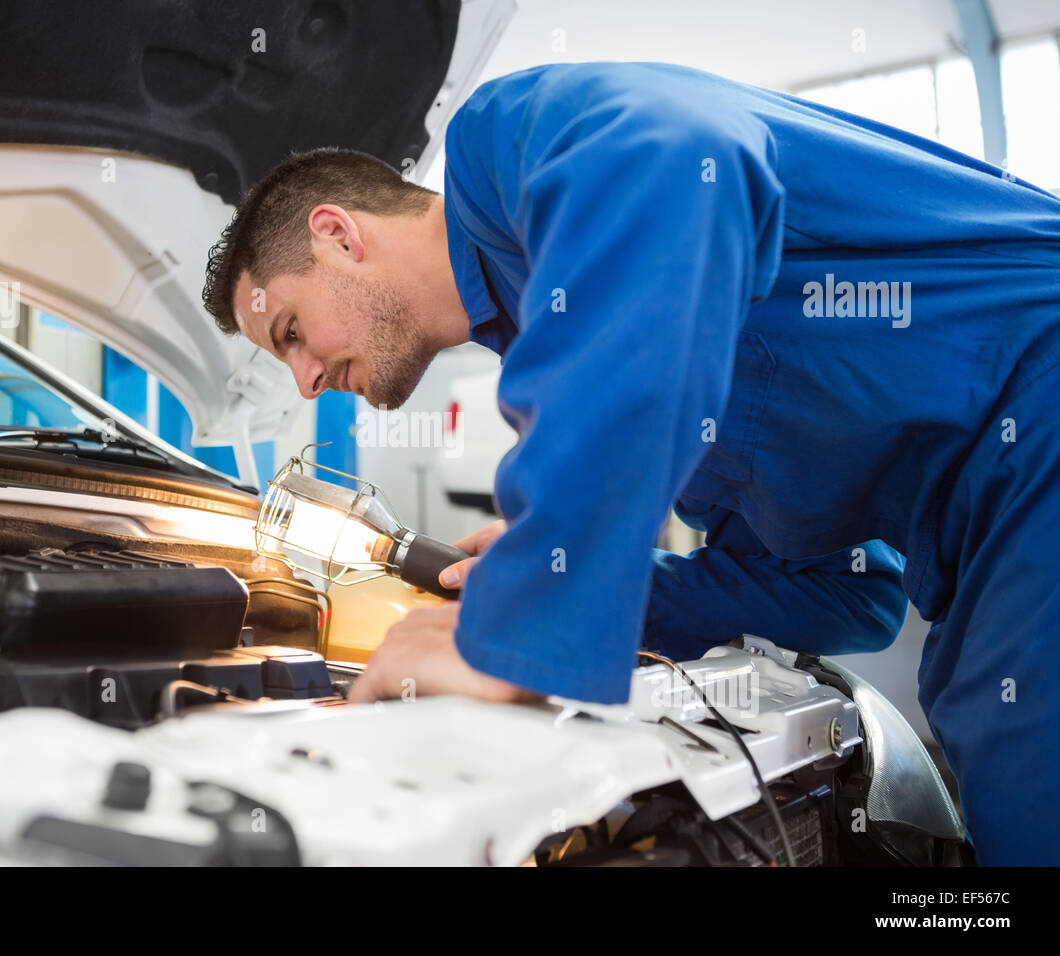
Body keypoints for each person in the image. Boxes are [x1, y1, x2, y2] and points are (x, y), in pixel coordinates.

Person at [202, 62, 1060, 865]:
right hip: (986, 534)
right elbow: (857, 594)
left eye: (289, 333)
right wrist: (594, 577)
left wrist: (530, 614)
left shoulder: (506, 144)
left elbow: (682, 155)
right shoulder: (585, 340)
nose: (307, 380)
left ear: (339, 236)